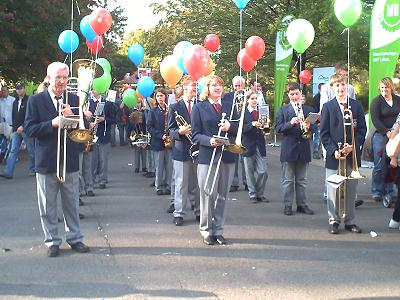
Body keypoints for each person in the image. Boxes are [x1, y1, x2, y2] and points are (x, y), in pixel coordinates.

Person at [24, 61, 90, 257]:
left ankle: (75, 238)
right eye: (57, 78)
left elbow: (83, 131)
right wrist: (52, 123)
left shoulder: (75, 99)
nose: (61, 81)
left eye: (64, 78)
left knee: (72, 203)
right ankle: (52, 240)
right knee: (47, 204)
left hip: (69, 160)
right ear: (49, 78)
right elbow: (29, 129)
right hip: (46, 161)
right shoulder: (36, 101)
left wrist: (73, 118)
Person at [192, 75, 238, 245]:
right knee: (207, 194)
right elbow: (195, 134)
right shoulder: (199, 107)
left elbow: (239, 127)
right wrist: (209, 141)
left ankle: (218, 230)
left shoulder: (230, 105)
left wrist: (230, 127)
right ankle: (206, 230)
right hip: (207, 155)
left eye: (220, 85)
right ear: (208, 88)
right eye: (214, 85)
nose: (218, 88)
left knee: (223, 195)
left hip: (227, 155)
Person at [320, 74, 367, 234]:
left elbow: (362, 130)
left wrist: (353, 146)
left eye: (343, 85)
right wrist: (333, 150)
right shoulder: (327, 107)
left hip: (351, 156)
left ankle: (350, 221)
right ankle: (334, 221)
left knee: (351, 190)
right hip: (335, 156)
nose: (340, 88)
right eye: (337, 85)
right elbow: (324, 133)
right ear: (332, 88)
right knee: (333, 190)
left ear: (347, 86)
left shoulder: (356, 105)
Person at [275, 82, 314, 216]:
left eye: (297, 93)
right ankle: (287, 205)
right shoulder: (283, 110)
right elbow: (278, 128)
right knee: (288, 180)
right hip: (289, 148)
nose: (295, 96)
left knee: (302, 180)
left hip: (303, 148)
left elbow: (314, 129)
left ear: (300, 93)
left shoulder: (308, 109)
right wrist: (290, 123)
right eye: (292, 94)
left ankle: (302, 205)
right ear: (288, 95)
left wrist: (308, 127)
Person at [168, 75, 200, 226]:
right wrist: (179, 132)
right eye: (193, 85)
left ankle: (199, 210)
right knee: (181, 183)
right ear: (185, 86)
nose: (195, 88)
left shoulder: (201, 105)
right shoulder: (175, 107)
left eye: (196, 85)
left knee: (197, 183)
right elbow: (170, 131)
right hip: (181, 150)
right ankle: (179, 213)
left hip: (198, 149)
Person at [370, 77, 400, 203]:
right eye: (382, 88)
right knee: (379, 164)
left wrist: (395, 132)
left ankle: (390, 191)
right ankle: (377, 190)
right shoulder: (376, 101)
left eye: (386, 88)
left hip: (396, 134)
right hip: (381, 135)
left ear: (391, 88)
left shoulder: (398, 99)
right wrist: (387, 132)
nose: (384, 90)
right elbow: (375, 120)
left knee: (392, 163)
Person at [1, 83, 35, 179]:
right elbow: (14, 116)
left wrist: (23, 126)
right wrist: (14, 128)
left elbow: (31, 115)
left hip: (27, 129)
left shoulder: (29, 100)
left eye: (21, 88)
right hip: (16, 130)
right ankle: (8, 171)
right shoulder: (15, 101)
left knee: (31, 150)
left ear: (24, 89)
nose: (19, 90)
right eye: (17, 89)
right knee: (13, 150)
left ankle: (34, 169)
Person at [242, 90, 269, 203]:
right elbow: (240, 129)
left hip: (260, 144)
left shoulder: (262, 110)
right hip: (248, 144)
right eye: (252, 98)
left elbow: (266, 127)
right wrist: (252, 124)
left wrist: (266, 125)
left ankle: (259, 193)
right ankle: (253, 194)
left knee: (263, 171)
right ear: (247, 100)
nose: (254, 100)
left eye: (256, 98)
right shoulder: (243, 113)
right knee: (249, 172)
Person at [147, 88, 173, 195]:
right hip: (158, 141)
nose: (160, 98)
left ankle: (168, 185)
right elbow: (149, 127)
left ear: (166, 97)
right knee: (159, 165)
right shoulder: (153, 111)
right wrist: (160, 135)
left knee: (169, 165)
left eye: (162, 96)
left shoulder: (170, 109)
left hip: (169, 141)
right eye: (158, 96)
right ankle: (159, 186)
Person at [223, 76, 247, 192]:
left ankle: (248, 182)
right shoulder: (227, 97)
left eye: (240, 85)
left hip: (247, 130)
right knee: (234, 157)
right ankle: (234, 182)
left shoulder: (249, 96)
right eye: (236, 86)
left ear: (244, 85)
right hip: (233, 131)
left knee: (247, 159)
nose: (238, 88)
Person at [89, 89, 116, 189]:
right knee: (92, 160)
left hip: (103, 135)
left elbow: (114, 119)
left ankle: (103, 180)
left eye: (95, 89)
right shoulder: (88, 103)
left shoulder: (107, 103)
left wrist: (104, 119)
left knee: (103, 159)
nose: (92, 91)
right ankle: (90, 180)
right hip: (91, 135)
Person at [311, 83, 323, 159]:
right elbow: (315, 111)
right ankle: (315, 152)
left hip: (325, 121)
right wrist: (318, 122)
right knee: (317, 138)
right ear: (319, 90)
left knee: (323, 139)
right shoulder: (316, 98)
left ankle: (322, 153)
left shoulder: (326, 97)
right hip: (317, 121)